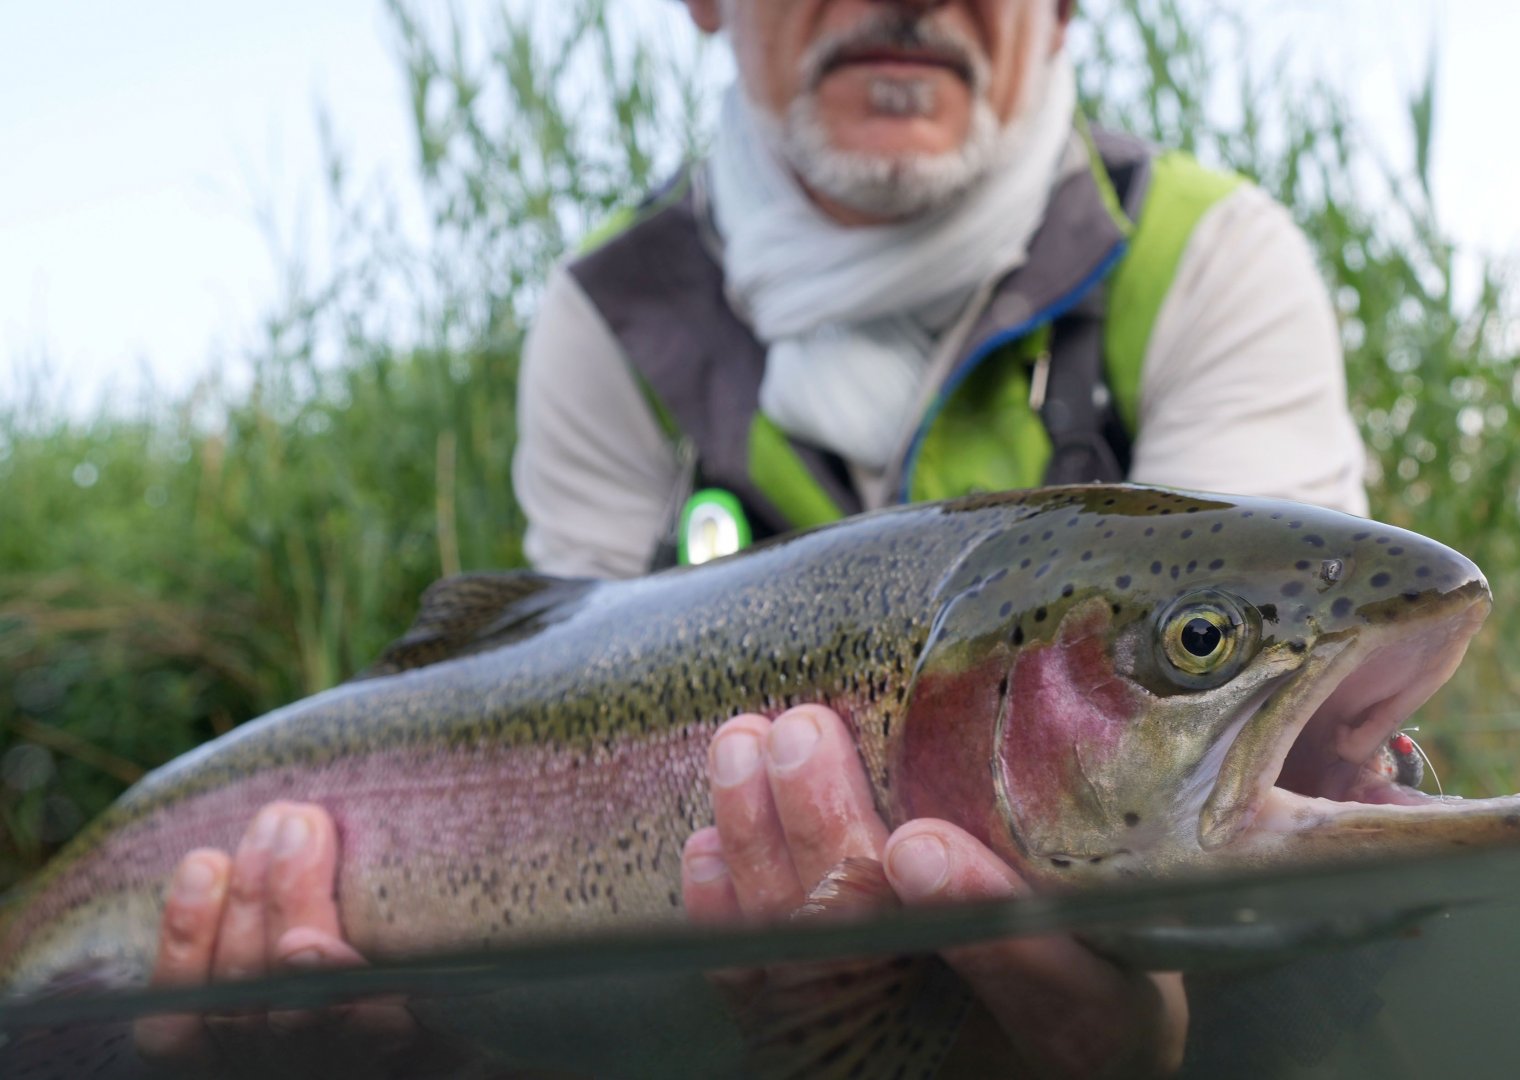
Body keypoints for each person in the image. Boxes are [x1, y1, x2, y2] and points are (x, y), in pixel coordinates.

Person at [135, 0, 1366, 1075]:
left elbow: (1245, 825)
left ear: (1063, 7)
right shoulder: (610, 317)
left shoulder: (1208, 256)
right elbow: (541, 668)